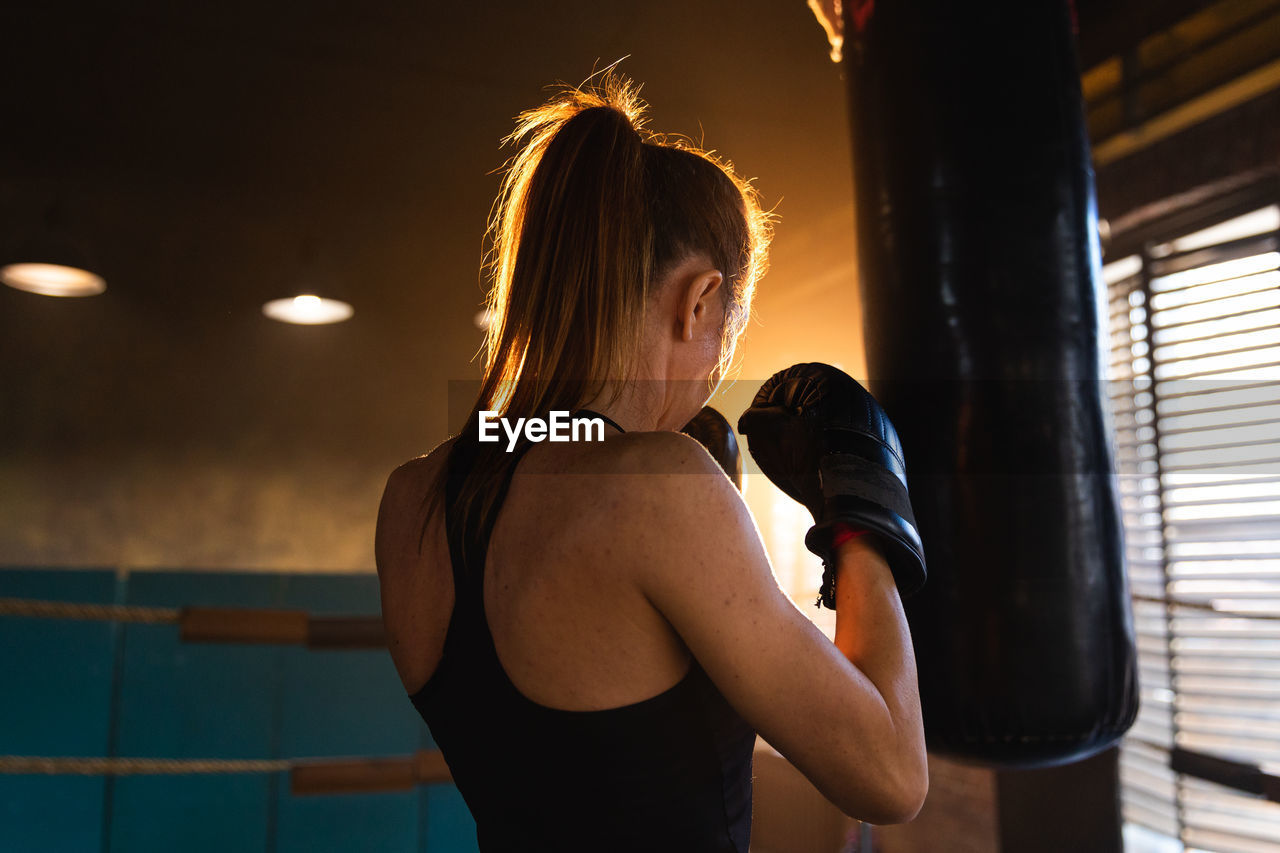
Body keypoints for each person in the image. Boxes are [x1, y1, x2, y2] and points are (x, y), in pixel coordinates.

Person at [375, 69, 927, 852]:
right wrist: (862, 518)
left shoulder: (411, 503)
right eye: (725, 336)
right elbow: (893, 774)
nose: (713, 373)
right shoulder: (657, 490)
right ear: (698, 301)